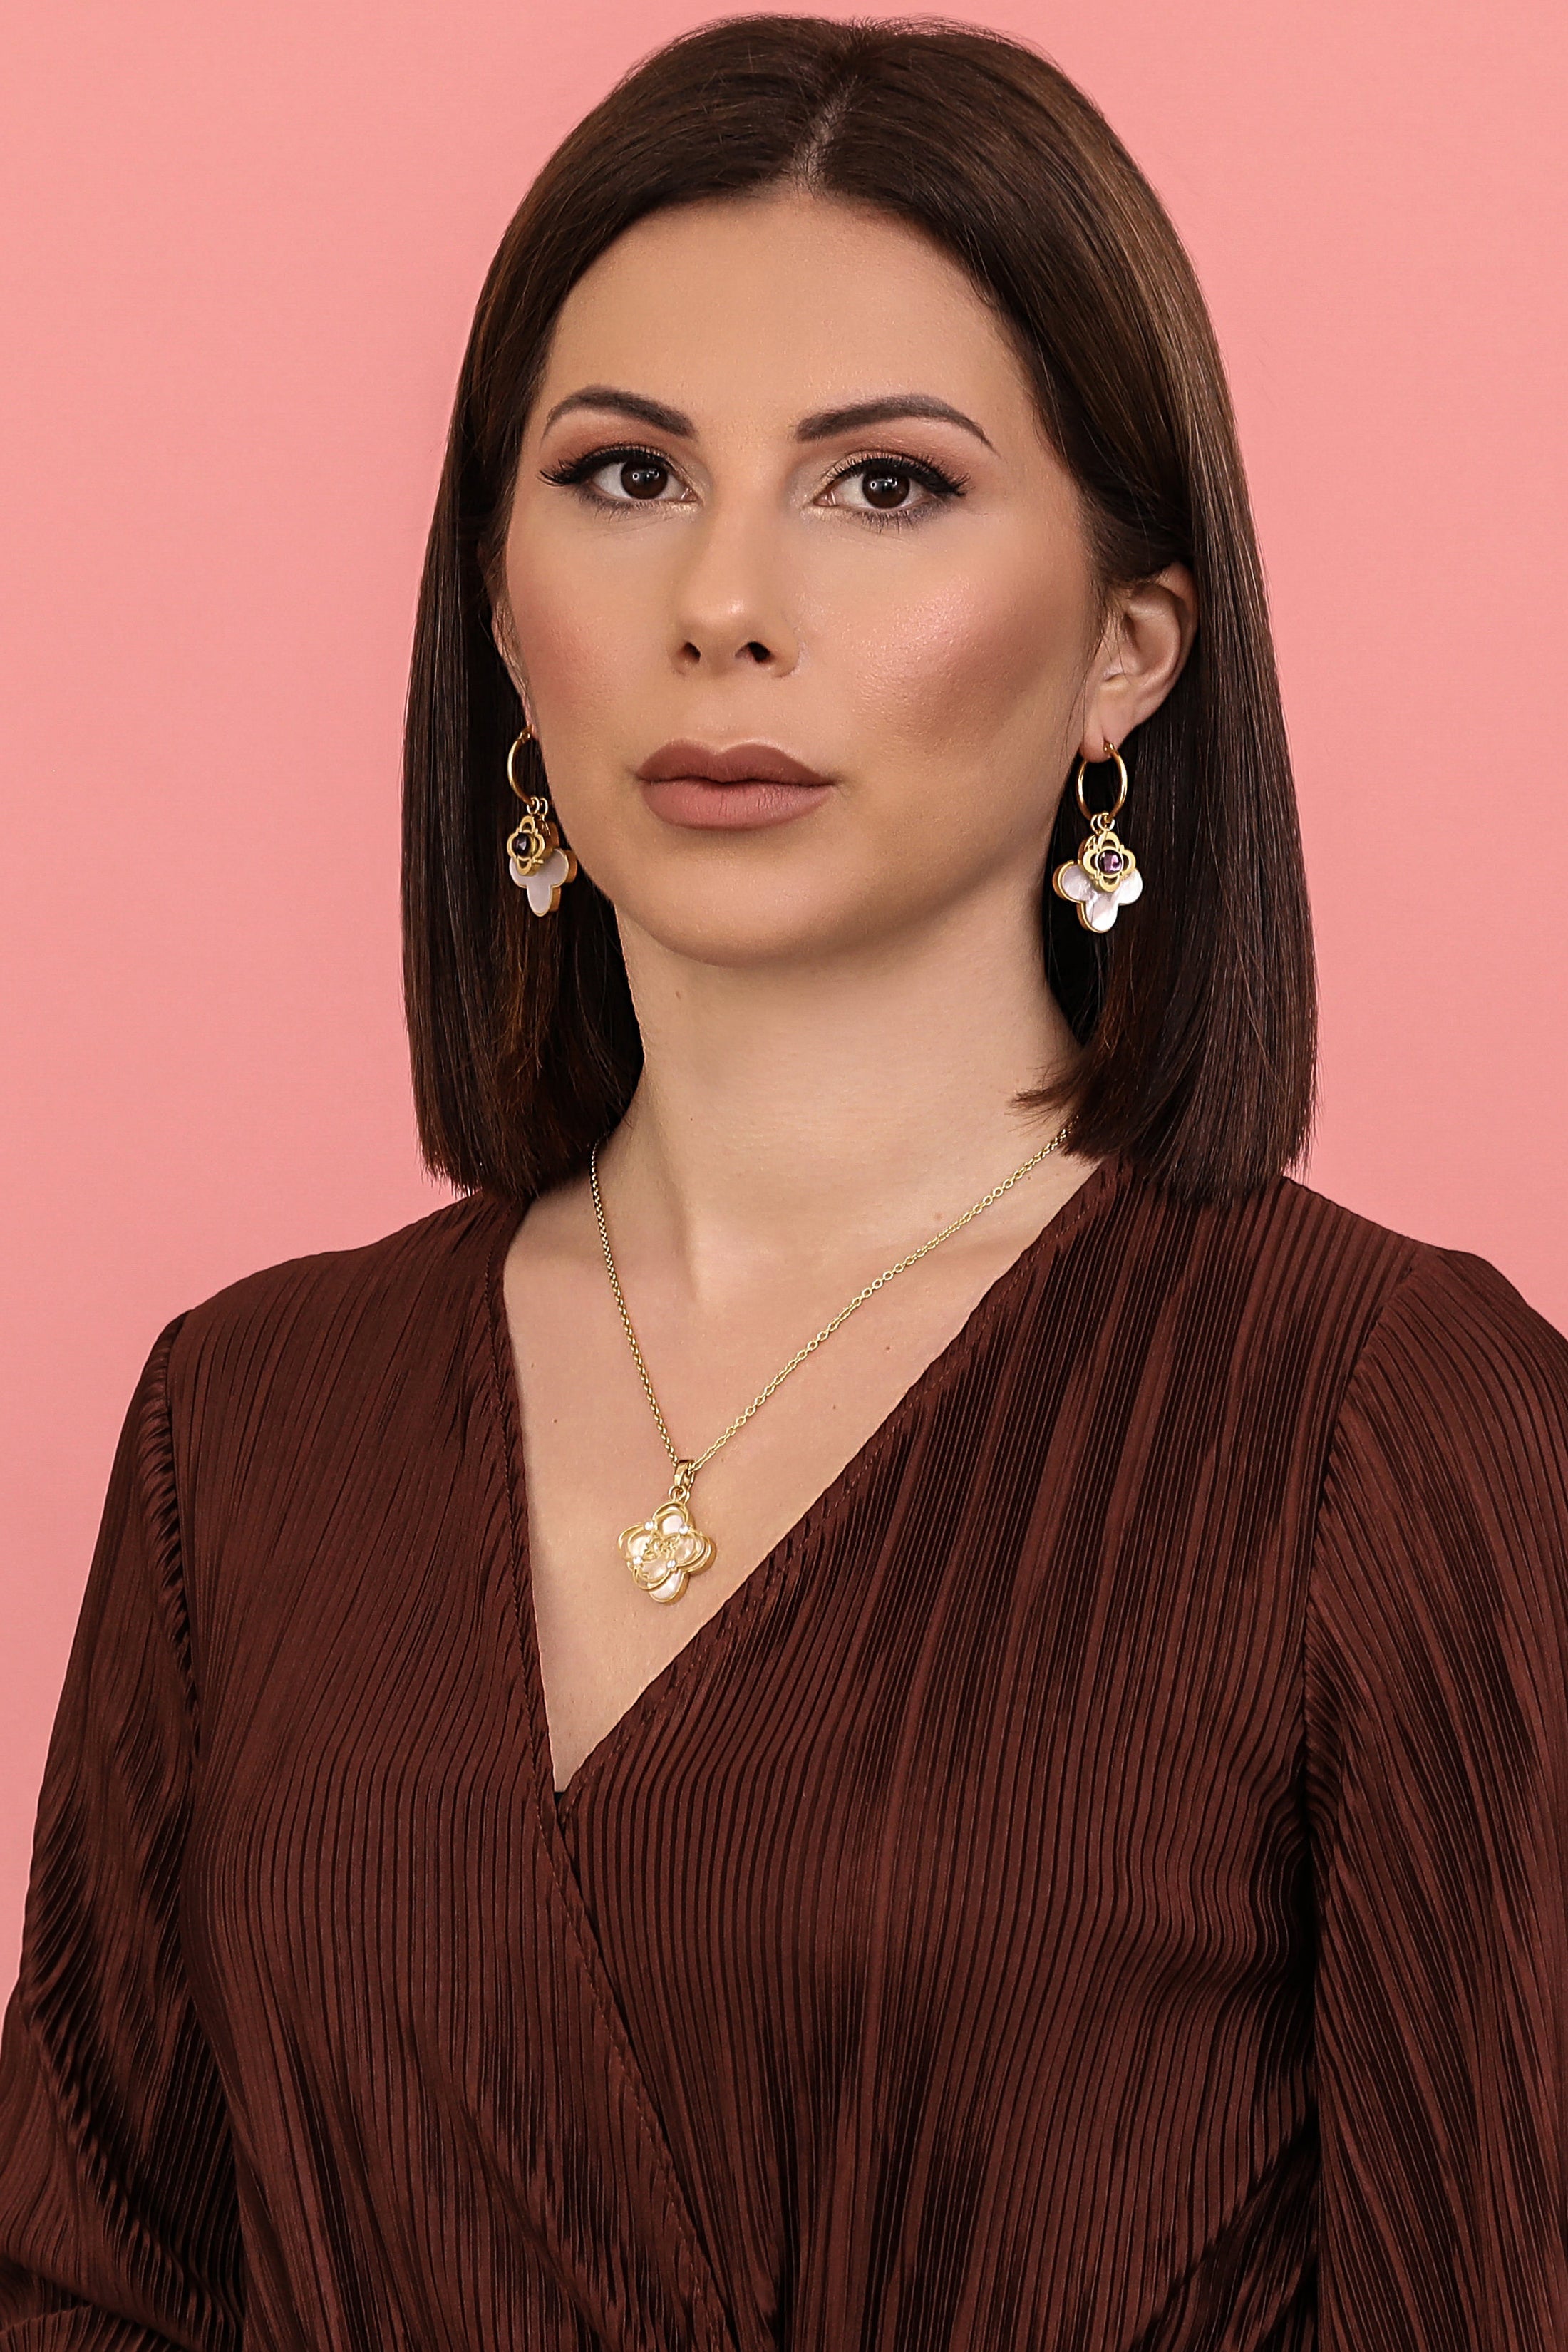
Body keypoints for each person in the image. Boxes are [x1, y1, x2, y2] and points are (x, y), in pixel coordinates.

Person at [1, 16, 1563, 2350]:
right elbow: (86, 2274)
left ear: (1131, 648)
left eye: (885, 485)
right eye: (626, 474)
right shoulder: (249, 1422)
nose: (722, 600)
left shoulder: (1397, 1423)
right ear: (500, 611)